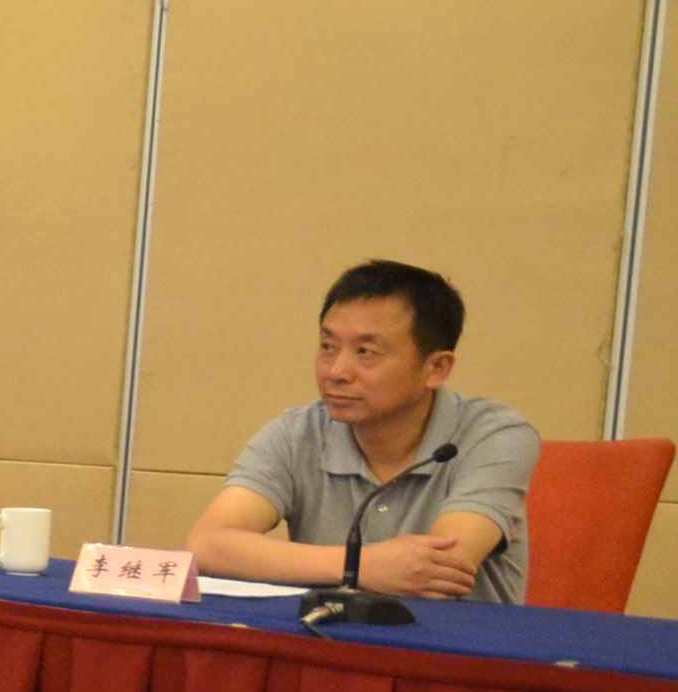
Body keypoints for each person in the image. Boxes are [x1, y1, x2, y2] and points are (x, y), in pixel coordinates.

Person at [184, 259, 537, 604]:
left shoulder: (495, 436)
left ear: (436, 368)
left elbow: (438, 571)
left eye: (365, 352)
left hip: (455, 641)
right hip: (328, 637)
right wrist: (360, 567)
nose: (336, 371)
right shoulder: (297, 434)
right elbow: (207, 544)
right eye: (328, 347)